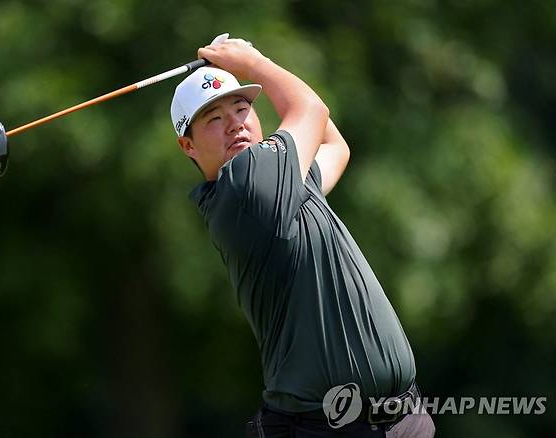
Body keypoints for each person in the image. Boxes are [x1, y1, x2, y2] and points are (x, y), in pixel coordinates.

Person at [170, 37, 435, 438]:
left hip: (401, 421)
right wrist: (256, 62)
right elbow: (311, 109)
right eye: (213, 118)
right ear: (187, 145)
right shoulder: (245, 186)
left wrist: (258, 69)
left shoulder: (278, 182)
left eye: (241, 107)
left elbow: (333, 144)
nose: (235, 123)